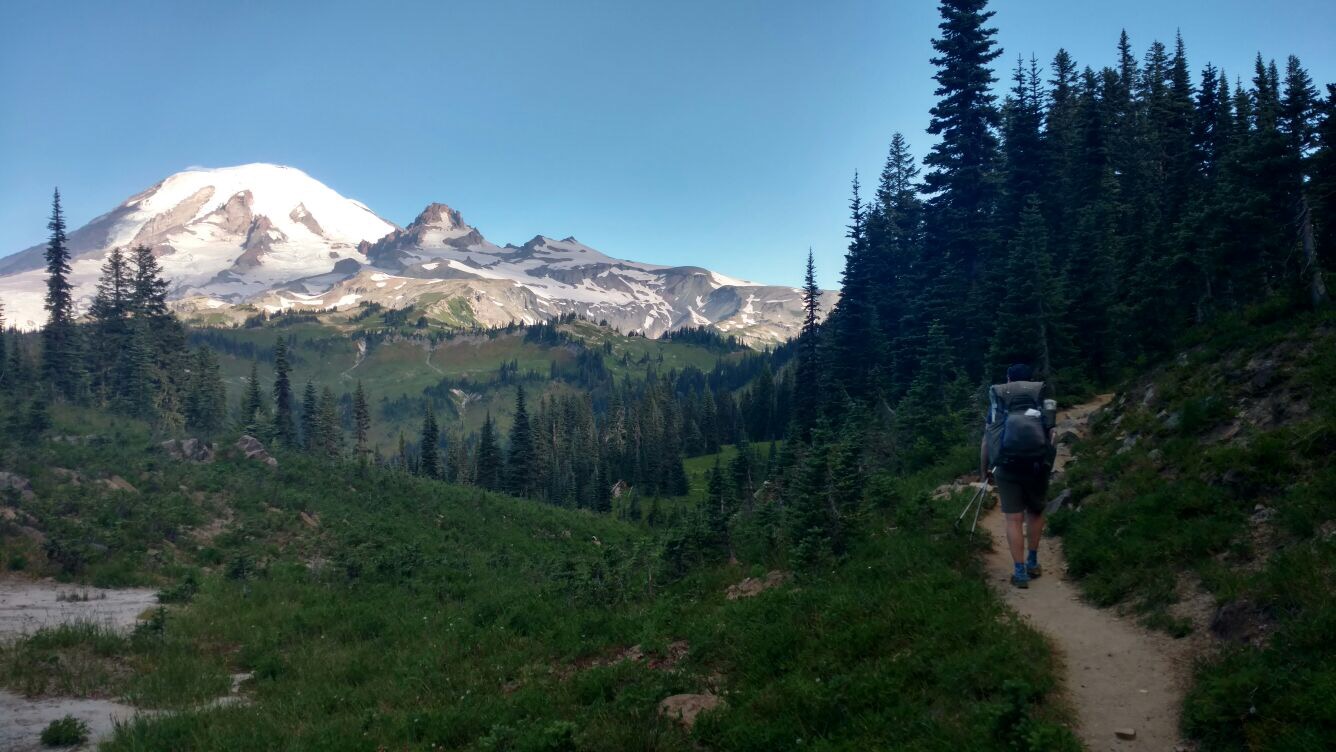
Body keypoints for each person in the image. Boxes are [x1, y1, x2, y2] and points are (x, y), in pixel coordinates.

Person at [981, 363, 1056, 588]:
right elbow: (1052, 435)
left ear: (1008, 380)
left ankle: (1019, 572)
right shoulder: (1040, 400)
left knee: (1013, 519)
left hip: (1007, 468)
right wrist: (1046, 464)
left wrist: (984, 470)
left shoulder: (998, 403)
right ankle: (1033, 561)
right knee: (1035, 511)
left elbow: (987, 439)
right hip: (1036, 466)